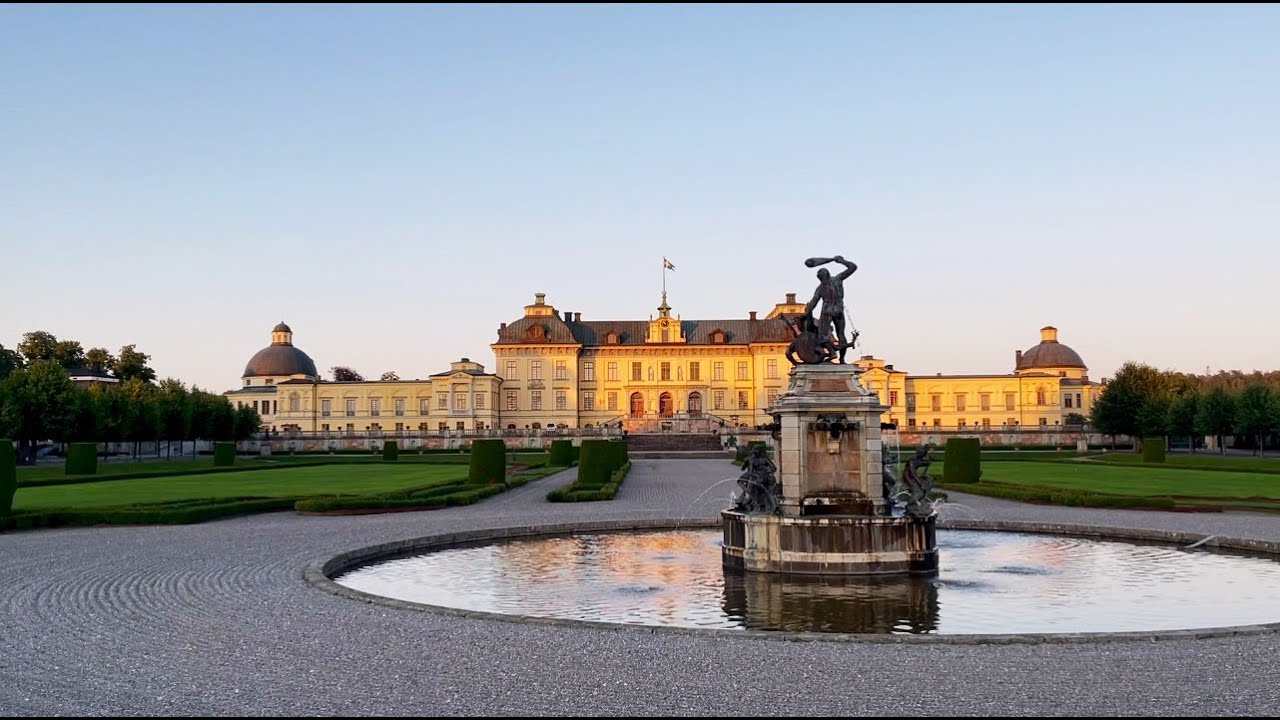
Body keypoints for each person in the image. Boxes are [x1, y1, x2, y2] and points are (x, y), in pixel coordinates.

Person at [803, 255, 858, 363]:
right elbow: (853, 267)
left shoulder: (821, 287)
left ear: (820, 278)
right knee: (841, 334)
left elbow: (814, 302)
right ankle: (842, 360)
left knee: (822, 335)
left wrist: (807, 313)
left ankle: (832, 353)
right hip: (839, 309)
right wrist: (843, 261)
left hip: (827, 310)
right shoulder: (837, 279)